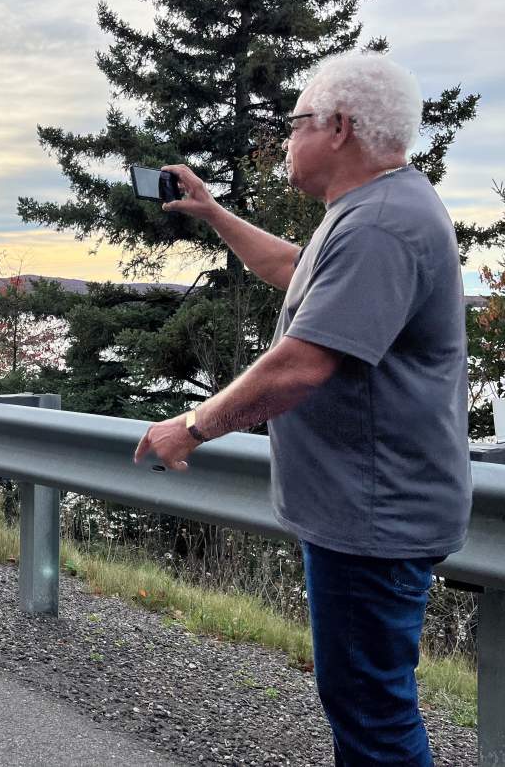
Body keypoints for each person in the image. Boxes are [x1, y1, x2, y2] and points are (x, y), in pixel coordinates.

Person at [133, 52, 471, 765]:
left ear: (339, 127)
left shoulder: (379, 223)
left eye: (295, 123)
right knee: (364, 705)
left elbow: (303, 363)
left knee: (374, 717)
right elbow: (295, 270)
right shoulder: (371, 209)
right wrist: (213, 212)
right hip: (366, 511)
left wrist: (193, 426)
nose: (287, 139)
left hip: (373, 518)